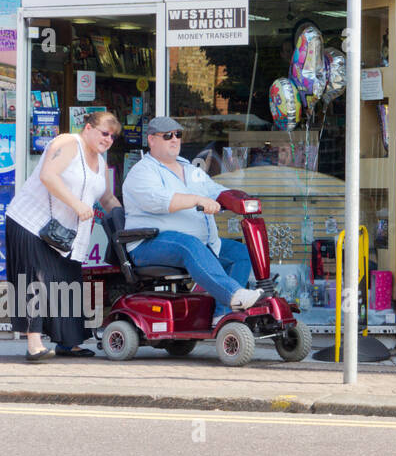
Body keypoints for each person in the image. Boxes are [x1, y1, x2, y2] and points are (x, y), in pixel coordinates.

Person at [5, 111, 122, 360]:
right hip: (31, 222)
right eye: (104, 133)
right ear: (88, 128)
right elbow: (48, 175)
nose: (108, 139)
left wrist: (125, 221)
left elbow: (107, 198)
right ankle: (34, 343)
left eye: (112, 136)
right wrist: (76, 204)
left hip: (65, 235)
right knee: (33, 279)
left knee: (67, 282)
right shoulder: (68, 143)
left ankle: (69, 342)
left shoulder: (100, 162)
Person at [123, 117, 263, 323]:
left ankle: (223, 315)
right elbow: (160, 201)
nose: (174, 140)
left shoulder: (191, 170)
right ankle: (234, 294)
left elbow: (215, 191)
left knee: (241, 253)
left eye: (178, 135)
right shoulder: (142, 172)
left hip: (199, 244)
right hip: (149, 245)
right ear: (152, 140)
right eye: (167, 135)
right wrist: (198, 199)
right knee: (188, 244)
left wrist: (239, 199)